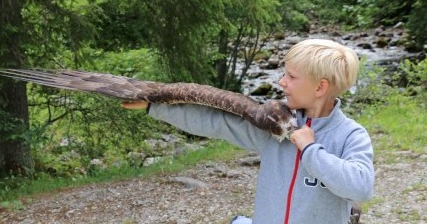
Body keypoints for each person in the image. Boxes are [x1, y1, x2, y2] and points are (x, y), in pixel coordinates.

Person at [122, 39, 374, 224]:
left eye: (291, 76)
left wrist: (310, 149)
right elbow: (216, 121)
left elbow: (361, 187)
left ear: (320, 87)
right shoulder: (274, 125)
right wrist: (154, 107)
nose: (281, 82)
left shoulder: (351, 135)